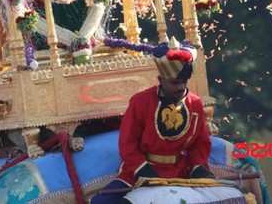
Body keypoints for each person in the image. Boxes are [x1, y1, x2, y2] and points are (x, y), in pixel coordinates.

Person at [91, 38, 214, 204]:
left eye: (184, 82)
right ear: (161, 80)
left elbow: (201, 143)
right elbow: (127, 144)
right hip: (139, 172)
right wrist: (142, 168)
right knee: (100, 202)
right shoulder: (140, 102)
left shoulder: (195, 104)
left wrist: (198, 167)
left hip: (181, 173)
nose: (180, 87)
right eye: (175, 82)